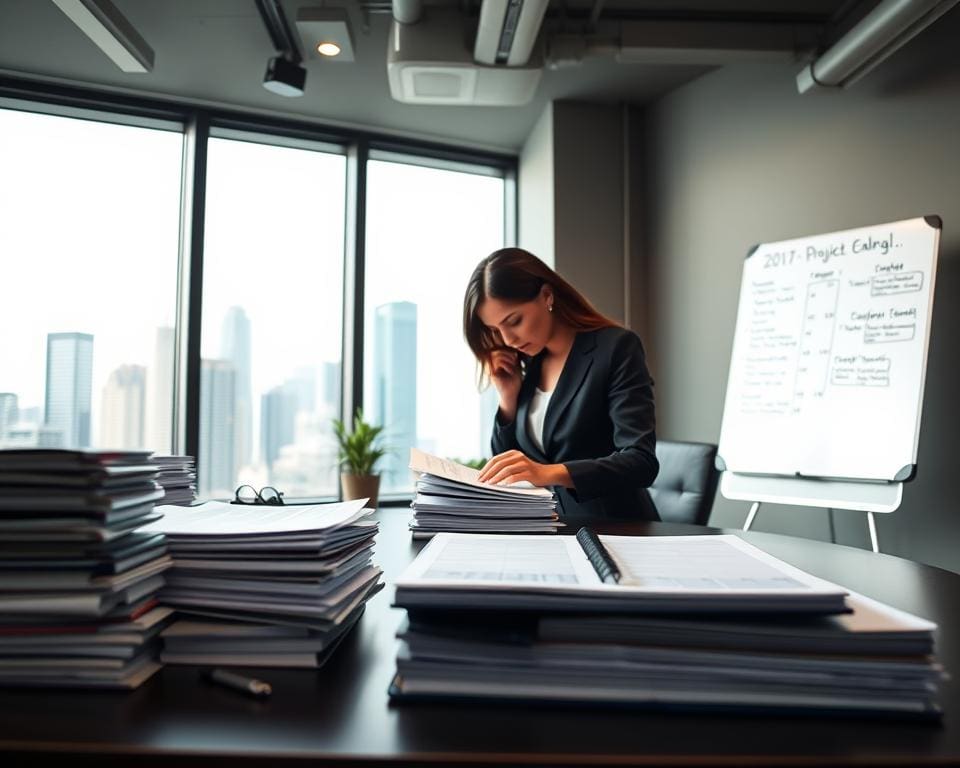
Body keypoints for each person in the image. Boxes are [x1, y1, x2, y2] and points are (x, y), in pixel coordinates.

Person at [463, 247, 660, 522]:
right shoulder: (529, 366)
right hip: (553, 531)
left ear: (547, 296)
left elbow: (640, 462)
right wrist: (508, 398)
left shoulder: (615, 348)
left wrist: (546, 472)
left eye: (514, 321)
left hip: (618, 530)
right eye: (496, 330)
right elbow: (507, 468)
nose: (508, 339)